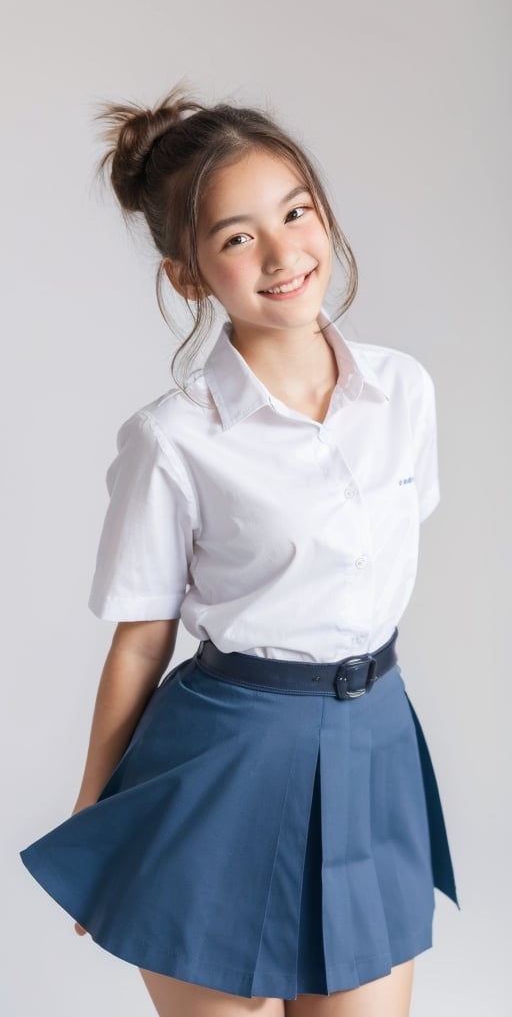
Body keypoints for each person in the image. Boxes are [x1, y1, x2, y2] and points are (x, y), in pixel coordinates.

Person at [19, 84, 458, 1017]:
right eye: (235, 237)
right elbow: (142, 639)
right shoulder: (174, 439)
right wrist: (95, 811)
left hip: (375, 739)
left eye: (295, 211)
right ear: (189, 277)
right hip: (228, 756)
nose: (282, 252)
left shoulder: (405, 391)